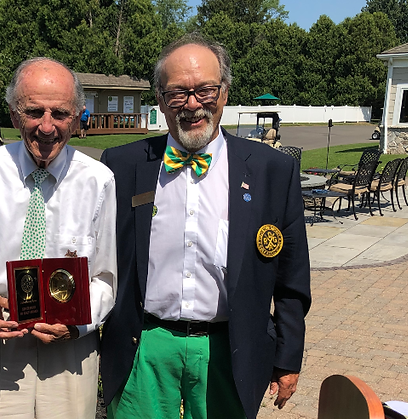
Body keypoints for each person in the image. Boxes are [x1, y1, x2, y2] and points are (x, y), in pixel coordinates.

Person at [99, 32, 311, 419]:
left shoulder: (272, 170)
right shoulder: (122, 165)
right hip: (144, 345)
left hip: (229, 349)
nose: (193, 104)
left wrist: (288, 358)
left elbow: (291, 277)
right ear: (160, 99)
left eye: (205, 91)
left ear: (224, 93)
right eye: (177, 93)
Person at [0, 57, 117, 419]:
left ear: (76, 118)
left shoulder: (98, 181)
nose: (47, 127)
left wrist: (77, 325)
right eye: (34, 112)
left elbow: (106, 277)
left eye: (60, 114)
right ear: (15, 116)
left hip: (69, 351)